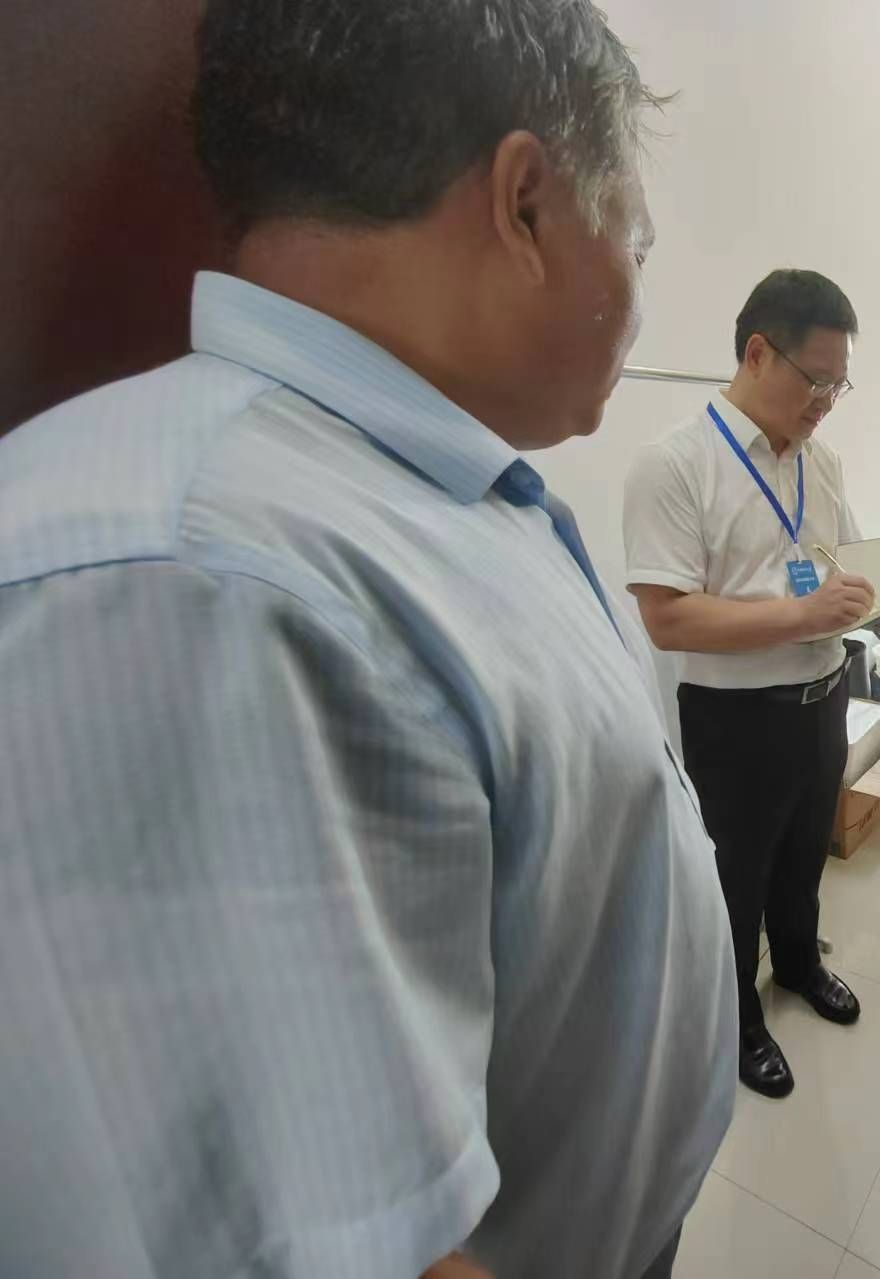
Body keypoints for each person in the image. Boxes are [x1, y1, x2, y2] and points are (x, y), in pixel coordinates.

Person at [0, 4, 731, 1278]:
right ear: (524, 204)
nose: (635, 292)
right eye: (636, 238)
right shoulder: (204, 582)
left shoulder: (419, 488)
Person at [624, 270, 880, 1101]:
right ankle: (735, 1019)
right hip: (734, 717)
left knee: (803, 858)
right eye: (816, 380)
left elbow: (852, 579)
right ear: (758, 353)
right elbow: (668, 617)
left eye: (839, 384)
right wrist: (801, 614)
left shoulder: (819, 461)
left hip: (822, 696)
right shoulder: (674, 464)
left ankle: (798, 965)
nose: (827, 402)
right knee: (736, 877)